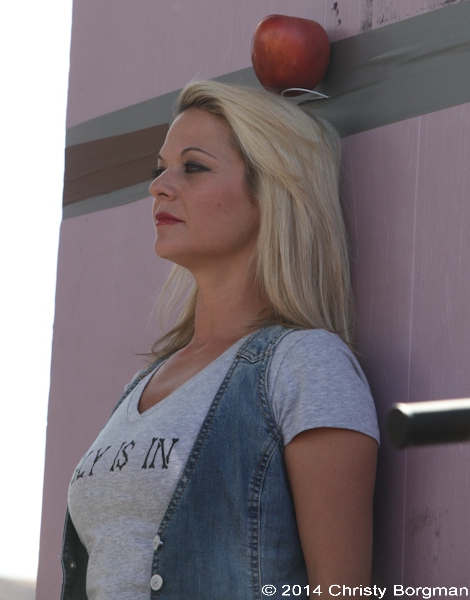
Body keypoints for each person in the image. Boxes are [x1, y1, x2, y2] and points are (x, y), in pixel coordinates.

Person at [61, 80, 379, 600]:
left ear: (270, 191)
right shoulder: (141, 383)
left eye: (193, 166)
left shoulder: (306, 366)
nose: (159, 187)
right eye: (159, 169)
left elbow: (342, 592)